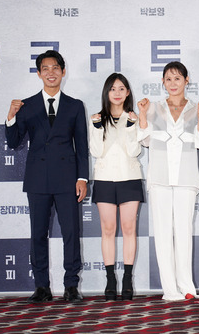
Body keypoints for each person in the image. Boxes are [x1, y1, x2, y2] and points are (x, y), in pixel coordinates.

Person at [5, 50, 88, 303]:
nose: (50, 72)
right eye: (45, 68)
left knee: (71, 233)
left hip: (67, 179)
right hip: (38, 179)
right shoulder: (26, 105)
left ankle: (71, 286)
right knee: (38, 233)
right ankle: (42, 286)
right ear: (39, 73)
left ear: (63, 71)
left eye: (55, 68)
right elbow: (14, 141)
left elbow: (82, 146)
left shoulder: (75, 105)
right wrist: (10, 117)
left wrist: (82, 178)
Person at [137, 61, 199, 301]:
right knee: (163, 233)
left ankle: (187, 287)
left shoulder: (195, 108)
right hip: (159, 178)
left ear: (187, 81)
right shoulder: (154, 108)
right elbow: (144, 141)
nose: (173, 83)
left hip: (187, 178)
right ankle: (170, 289)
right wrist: (143, 116)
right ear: (163, 82)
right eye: (168, 79)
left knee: (184, 232)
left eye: (177, 78)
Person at [89, 73, 143, 300]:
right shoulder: (96, 119)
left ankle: (128, 279)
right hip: (104, 180)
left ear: (128, 92)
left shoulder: (135, 118)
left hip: (129, 179)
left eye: (122, 88)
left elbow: (134, 151)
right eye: (113, 89)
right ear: (106, 92)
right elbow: (95, 152)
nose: (118, 93)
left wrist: (131, 125)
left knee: (129, 229)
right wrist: (98, 127)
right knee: (108, 230)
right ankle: (110, 279)